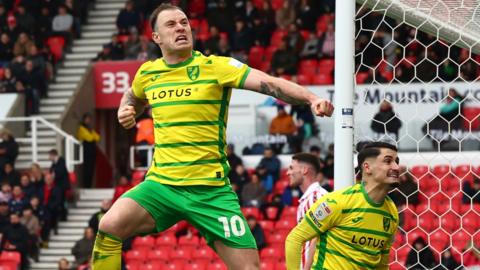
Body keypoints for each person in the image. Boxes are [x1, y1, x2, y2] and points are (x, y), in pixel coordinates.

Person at [92, 4, 333, 270]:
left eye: (184, 22)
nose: (181, 27)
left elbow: (270, 83)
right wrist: (126, 110)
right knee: (108, 226)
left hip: (211, 192)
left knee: (250, 268)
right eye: (171, 24)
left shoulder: (215, 67)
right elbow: (133, 96)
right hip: (162, 186)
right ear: (156, 37)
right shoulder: (148, 73)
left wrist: (311, 98)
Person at [285, 142, 400, 269]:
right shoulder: (337, 202)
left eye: (397, 161)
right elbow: (295, 239)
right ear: (367, 168)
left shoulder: (392, 212)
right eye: (388, 161)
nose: (396, 167)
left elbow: (382, 265)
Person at [286, 153, 329, 269]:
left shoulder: (317, 197)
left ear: (304, 170)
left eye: (291, 168)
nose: (288, 172)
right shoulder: (309, 198)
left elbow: (316, 238)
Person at [76, 113, 100, 188]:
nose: (88, 121)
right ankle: (86, 185)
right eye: (87, 119)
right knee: (87, 168)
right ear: (84, 119)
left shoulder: (89, 129)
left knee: (91, 168)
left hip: (92, 150)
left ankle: (89, 185)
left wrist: (91, 133)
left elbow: (98, 137)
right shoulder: (81, 128)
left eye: (89, 119)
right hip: (86, 150)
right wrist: (92, 134)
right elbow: (89, 138)